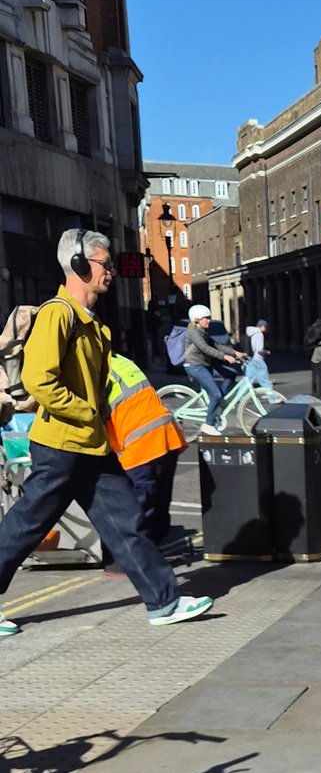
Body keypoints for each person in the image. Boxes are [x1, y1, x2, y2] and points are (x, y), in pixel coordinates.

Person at [0, 229, 212, 634]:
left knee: (127, 520)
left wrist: (95, 423)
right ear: (79, 265)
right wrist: (87, 413)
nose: (112, 271)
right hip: (62, 447)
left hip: (90, 446)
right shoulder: (58, 314)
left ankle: (164, 602)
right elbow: (39, 379)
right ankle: (164, 600)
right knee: (27, 525)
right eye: (105, 263)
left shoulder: (92, 324)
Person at [106, 351, 188, 543]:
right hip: (166, 432)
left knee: (138, 507)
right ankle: (157, 543)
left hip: (140, 443)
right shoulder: (121, 361)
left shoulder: (94, 369)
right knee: (159, 500)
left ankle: (141, 551)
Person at [183, 305, 244, 435]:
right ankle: (208, 424)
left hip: (205, 363)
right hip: (195, 366)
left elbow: (216, 345)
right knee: (215, 394)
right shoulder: (193, 332)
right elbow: (205, 348)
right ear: (197, 319)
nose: (209, 321)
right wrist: (224, 357)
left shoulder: (202, 331)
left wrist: (235, 353)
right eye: (206, 318)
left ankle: (218, 403)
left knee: (230, 374)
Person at [243, 319, 272, 389]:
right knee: (264, 378)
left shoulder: (250, 333)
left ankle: (240, 394)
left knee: (248, 379)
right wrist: (266, 352)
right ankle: (270, 394)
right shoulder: (259, 334)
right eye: (266, 327)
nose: (266, 329)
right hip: (258, 358)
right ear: (262, 326)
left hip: (250, 358)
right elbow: (259, 350)